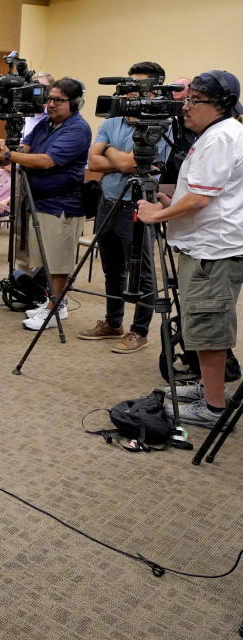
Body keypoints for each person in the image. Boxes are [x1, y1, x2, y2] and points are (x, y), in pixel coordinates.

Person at [138, 70, 243, 427]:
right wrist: (173, 202)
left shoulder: (220, 138)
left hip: (212, 251)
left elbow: (200, 198)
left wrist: (160, 214)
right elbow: (203, 192)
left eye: (194, 101)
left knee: (208, 326)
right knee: (200, 323)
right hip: (206, 245)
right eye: (187, 100)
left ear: (219, 105)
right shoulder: (216, 134)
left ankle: (213, 407)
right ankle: (205, 387)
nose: (186, 107)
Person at [78, 62, 170, 354]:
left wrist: (108, 153)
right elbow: (93, 163)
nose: (130, 92)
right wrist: (115, 158)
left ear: (155, 89)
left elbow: (133, 163)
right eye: (128, 85)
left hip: (139, 206)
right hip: (108, 202)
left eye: (137, 86)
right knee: (112, 269)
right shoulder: (111, 120)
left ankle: (139, 331)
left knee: (141, 273)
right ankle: (113, 322)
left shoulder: (163, 123)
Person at [0, 78, 92, 330]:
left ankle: (55, 308)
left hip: (63, 203)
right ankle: (52, 302)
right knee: (45, 259)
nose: (52, 104)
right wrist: (7, 145)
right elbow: (26, 146)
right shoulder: (47, 123)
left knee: (58, 261)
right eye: (50, 99)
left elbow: (48, 161)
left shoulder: (78, 129)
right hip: (40, 201)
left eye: (59, 100)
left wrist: (10, 156)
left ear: (75, 103)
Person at [22, 72, 54, 138]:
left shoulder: (56, 116)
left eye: (43, 88)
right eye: (35, 88)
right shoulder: (24, 115)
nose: (38, 93)